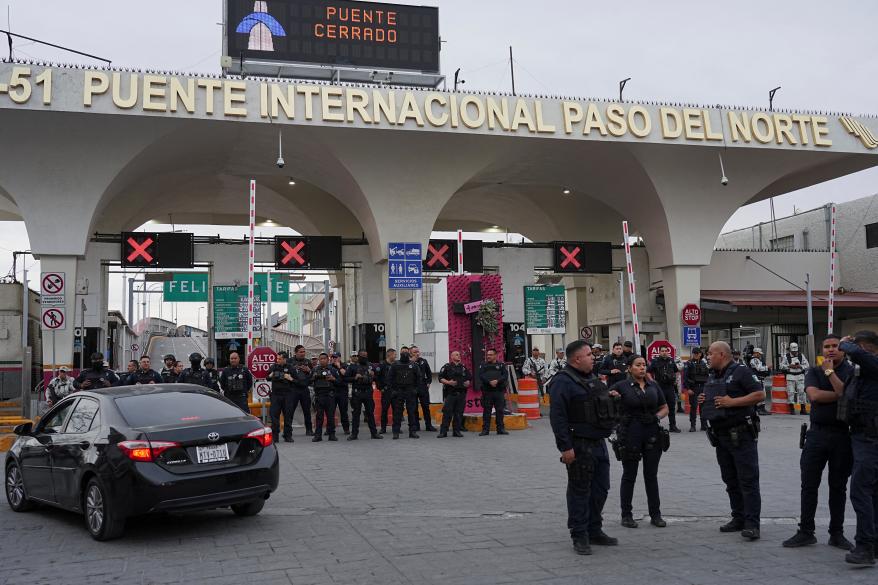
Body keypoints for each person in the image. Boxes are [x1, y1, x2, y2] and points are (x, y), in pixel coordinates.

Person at [549, 340, 621, 555]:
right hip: (579, 444)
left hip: (598, 443)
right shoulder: (563, 381)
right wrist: (565, 447)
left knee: (601, 489)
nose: (594, 357)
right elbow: (558, 417)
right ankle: (579, 534)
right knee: (580, 491)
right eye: (589, 354)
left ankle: (594, 529)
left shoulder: (591, 377)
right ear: (576, 359)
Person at [782, 334, 854, 551]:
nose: (831, 350)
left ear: (843, 350)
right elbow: (813, 396)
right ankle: (805, 531)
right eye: (827, 346)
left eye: (835, 346)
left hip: (843, 436)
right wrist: (841, 393)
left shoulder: (851, 372)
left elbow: (846, 393)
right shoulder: (813, 371)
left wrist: (831, 373)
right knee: (809, 485)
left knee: (838, 487)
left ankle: (837, 533)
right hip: (816, 435)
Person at [699, 341, 764, 541]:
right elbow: (717, 399)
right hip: (721, 435)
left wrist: (732, 402)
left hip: (742, 435)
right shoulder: (714, 374)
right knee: (730, 480)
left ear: (721, 354)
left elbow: (759, 394)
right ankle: (738, 517)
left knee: (748, 480)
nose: (707, 356)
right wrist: (705, 399)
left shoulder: (741, 371)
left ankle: (752, 524)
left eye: (710, 353)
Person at [611, 355, 669, 529]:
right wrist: (613, 397)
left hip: (651, 431)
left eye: (644, 365)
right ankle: (626, 515)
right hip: (630, 432)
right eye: (638, 365)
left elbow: (664, 407)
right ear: (629, 368)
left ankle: (656, 514)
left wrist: (656, 417)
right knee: (630, 475)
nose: (642, 368)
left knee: (651, 475)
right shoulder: (621, 386)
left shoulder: (653, 385)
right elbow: (604, 400)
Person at [838, 331, 878, 565]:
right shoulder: (864, 370)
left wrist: (847, 343)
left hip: (870, 439)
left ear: (865, 347)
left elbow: (854, 352)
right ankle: (873, 544)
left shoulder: (872, 364)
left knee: (861, 492)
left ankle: (864, 546)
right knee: (872, 493)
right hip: (862, 435)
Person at [347, 350, 382, 440]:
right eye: (362, 356)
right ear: (358, 356)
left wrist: (373, 375)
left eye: (366, 356)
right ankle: (354, 434)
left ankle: (374, 433)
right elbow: (345, 378)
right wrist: (355, 378)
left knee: (370, 413)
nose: (364, 357)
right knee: (356, 414)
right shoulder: (353, 366)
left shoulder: (370, 365)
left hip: (368, 392)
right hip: (357, 392)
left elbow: (377, 376)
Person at [388, 347, 420, 439]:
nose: (405, 354)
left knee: (411, 412)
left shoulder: (413, 365)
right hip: (399, 391)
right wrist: (393, 391)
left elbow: (419, 378)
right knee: (397, 413)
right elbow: (389, 379)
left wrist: (416, 389)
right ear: (400, 354)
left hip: (410, 391)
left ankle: (412, 431)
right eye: (403, 353)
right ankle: (396, 432)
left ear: (409, 354)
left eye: (406, 353)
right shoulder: (395, 365)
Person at [647, 346, 682, 433]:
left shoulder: (671, 361)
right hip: (659, 387)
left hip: (670, 387)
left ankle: (672, 426)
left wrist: (676, 379)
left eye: (666, 351)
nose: (664, 352)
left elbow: (676, 371)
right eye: (662, 351)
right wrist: (652, 381)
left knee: (671, 407)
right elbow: (648, 371)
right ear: (659, 352)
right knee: (656, 407)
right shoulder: (655, 361)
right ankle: (654, 425)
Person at [437, 350, 471, 438]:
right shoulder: (447, 367)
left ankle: (456, 431)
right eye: (456, 355)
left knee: (459, 413)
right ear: (452, 357)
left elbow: (469, 378)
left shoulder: (463, 367)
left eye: (459, 355)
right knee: (447, 413)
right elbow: (440, 378)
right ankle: (443, 432)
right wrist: (448, 382)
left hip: (461, 394)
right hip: (450, 394)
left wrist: (468, 382)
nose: (459, 356)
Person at [479, 348, 509, 436]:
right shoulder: (483, 365)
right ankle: (485, 430)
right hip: (487, 391)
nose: (488, 356)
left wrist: (497, 381)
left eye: (490, 355)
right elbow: (481, 375)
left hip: (498, 391)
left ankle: (500, 429)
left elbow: (505, 375)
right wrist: (489, 382)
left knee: (500, 411)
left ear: (495, 355)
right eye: (487, 355)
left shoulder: (501, 365)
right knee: (487, 411)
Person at [268, 351, 296, 443]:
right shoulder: (274, 367)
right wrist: (271, 375)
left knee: (288, 416)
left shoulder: (290, 368)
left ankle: (288, 435)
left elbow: (297, 381)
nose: (278, 360)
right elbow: (267, 377)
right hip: (276, 395)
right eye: (277, 358)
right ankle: (275, 436)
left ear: (285, 359)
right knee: (274, 416)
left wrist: (290, 378)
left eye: (280, 359)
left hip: (287, 395)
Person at [311, 353, 339, 442]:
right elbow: (308, 381)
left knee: (331, 417)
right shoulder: (315, 370)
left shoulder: (333, 370)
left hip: (329, 396)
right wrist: (313, 377)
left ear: (328, 359)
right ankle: (318, 435)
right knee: (319, 417)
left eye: (324, 358)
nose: (322, 360)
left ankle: (332, 435)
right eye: (321, 359)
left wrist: (333, 379)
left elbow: (340, 382)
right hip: (319, 396)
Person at [289, 345, 314, 436]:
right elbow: (286, 374)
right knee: (290, 411)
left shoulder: (307, 362)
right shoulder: (290, 361)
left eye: (304, 351)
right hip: (293, 389)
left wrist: (309, 371)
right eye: (301, 352)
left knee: (307, 411)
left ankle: (309, 430)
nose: (303, 353)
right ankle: (288, 431)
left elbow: (312, 376)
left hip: (304, 389)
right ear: (295, 352)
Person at [410, 346, 437, 432]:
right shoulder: (408, 363)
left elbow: (429, 373)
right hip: (412, 387)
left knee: (425, 407)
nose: (417, 353)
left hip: (422, 387)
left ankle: (428, 425)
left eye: (418, 351)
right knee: (414, 407)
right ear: (411, 353)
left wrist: (428, 382)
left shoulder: (423, 361)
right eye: (414, 352)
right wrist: (411, 362)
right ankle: (416, 426)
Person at [683, 347, 709, 432]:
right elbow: (685, 377)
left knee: (703, 407)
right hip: (693, 388)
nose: (696, 355)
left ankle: (703, 425)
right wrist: (688, 389)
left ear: (700, 354)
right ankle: (693, 425)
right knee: (694, 407)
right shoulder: (689, 363)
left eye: (698, 353)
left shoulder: (703, 363)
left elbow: (707, 375)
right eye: (694, 353)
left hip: (702, 387)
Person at [781, 342, 811, 415]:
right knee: (790, 392)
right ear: (790, 350)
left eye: (795, 351)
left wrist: (800, 366)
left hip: (800, 376)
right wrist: (789, 366)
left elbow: (807, 365)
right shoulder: (786, 356)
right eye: (793, 351)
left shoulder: (801, 356)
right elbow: (781, 366)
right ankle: (792, 408)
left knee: (802, 392)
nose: (794, 352)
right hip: (790, 376)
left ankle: (803, 409)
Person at [329, 353, 351, 435]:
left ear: (339, 358)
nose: (334, 359)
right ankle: (330, 429)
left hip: (342, 391)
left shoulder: (344, 365)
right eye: (333, 357)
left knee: (343, 411)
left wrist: (339, 366)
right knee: (330, 411)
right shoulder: (330, 367)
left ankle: (346, 429)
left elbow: (345, 374)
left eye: (336, 357)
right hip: (333, 391)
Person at [376, 349, 396, 434]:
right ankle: (383, 428)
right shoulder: (382, 365)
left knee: (396, 410)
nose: (396, 356)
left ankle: (396, 427)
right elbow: (377, 378)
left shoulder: (396, 364)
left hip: (395, 391)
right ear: (390, 355)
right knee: (384, 410)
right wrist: (381, 388)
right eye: (394, 355)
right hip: (386, 391)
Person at [749, 348, 772, 416]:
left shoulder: (758, 360)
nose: (760, 355)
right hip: (757, 379)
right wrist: (767, 367)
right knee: (761, 393)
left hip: (761, 379)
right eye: (759, 354)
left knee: (762, 393)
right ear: (755, 353)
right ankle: (760, 409)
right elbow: (759, 368)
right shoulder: (754, 360)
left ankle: (761, 408)